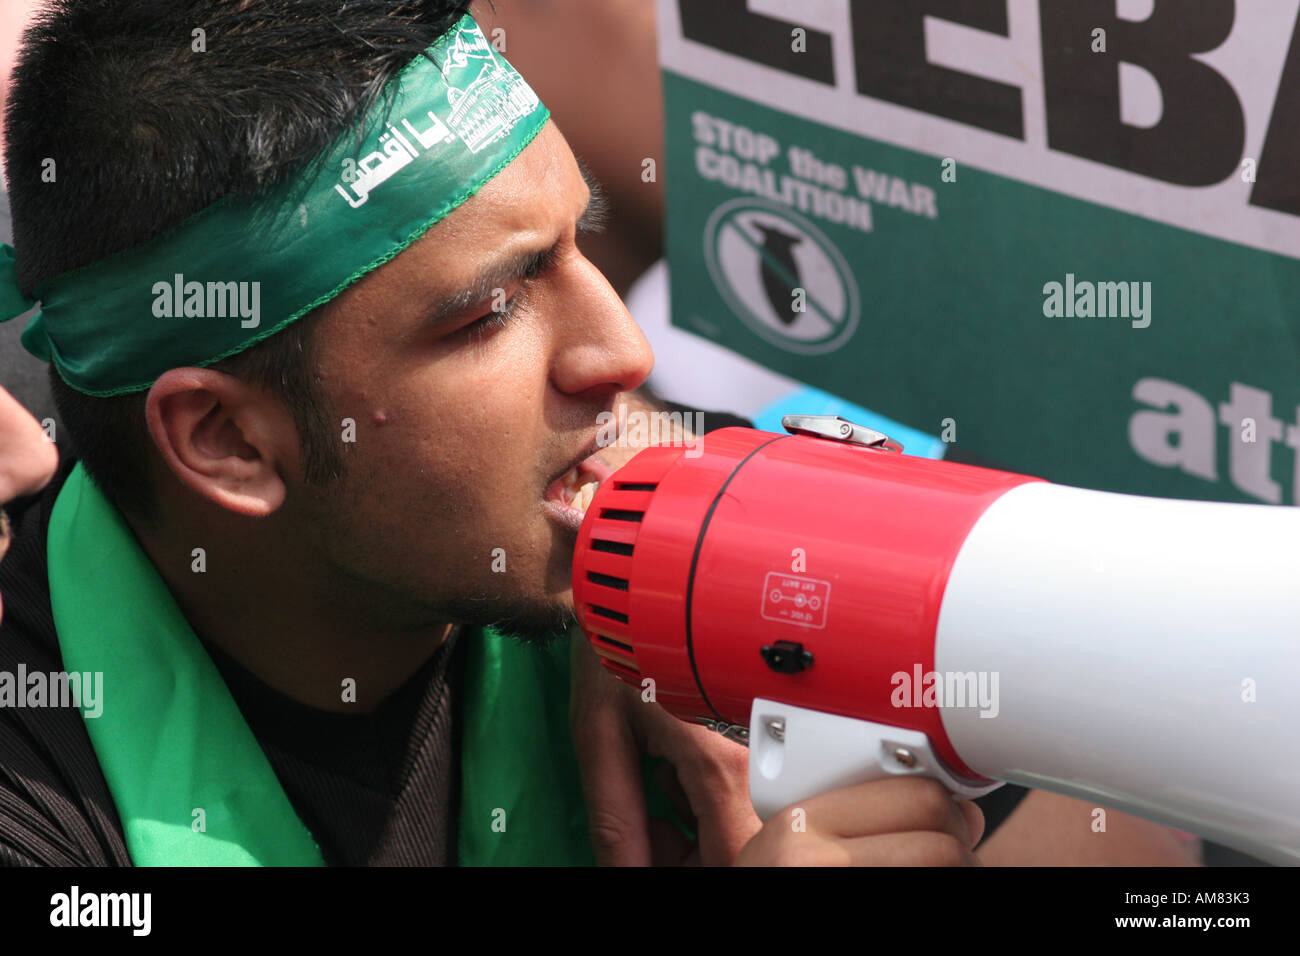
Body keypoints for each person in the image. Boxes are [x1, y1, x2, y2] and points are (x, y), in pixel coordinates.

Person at [0, 0, 1196, 867]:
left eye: (585, 243)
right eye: (488, 312)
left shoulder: (687, 506)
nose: (624, 351)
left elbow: (1147, 815)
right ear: (226, 441)